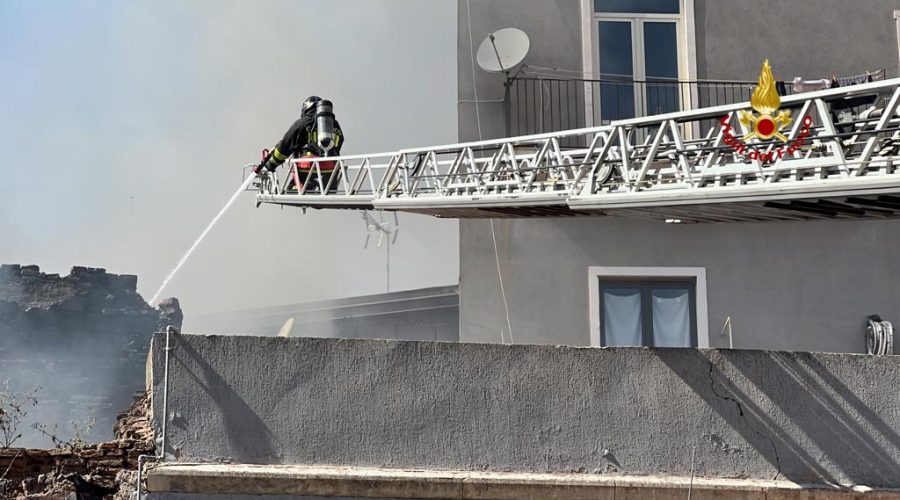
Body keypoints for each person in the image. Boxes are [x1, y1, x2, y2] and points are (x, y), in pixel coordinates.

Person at [255, 95, 345, 192]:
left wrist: (270, 164)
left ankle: (308, 185)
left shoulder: (304, 122)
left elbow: (286, 145)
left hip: (309, 167)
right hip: (332, 168)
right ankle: (326, 187)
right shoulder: (335, 126)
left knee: (291, 191)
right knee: (323, 197)